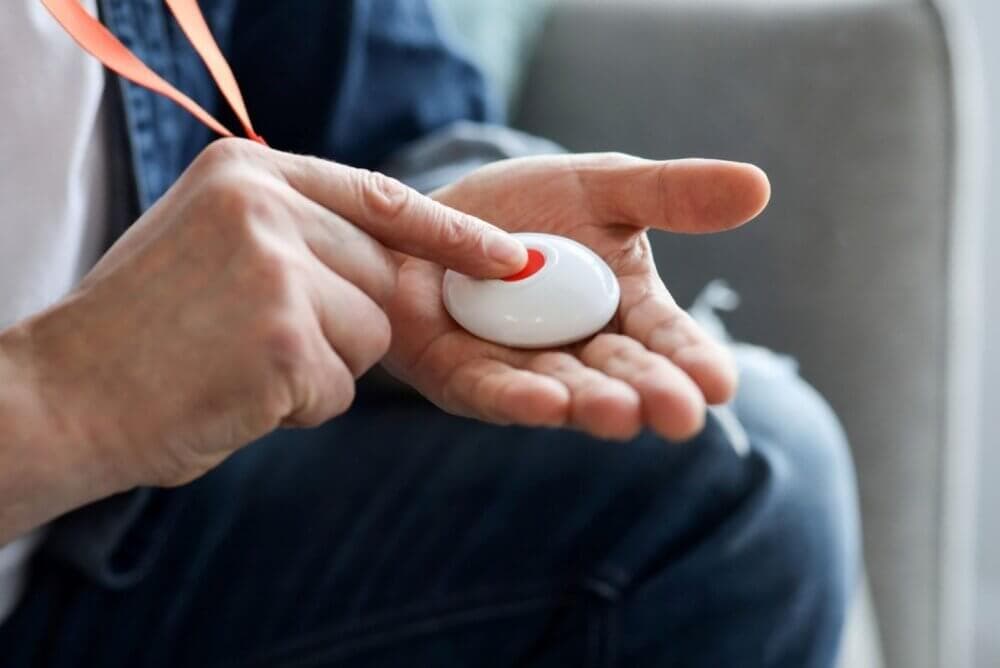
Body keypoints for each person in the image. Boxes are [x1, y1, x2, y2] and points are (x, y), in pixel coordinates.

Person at [0, 1, 859, 666]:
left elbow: (379, 113)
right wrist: (60, 405)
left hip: (92, 542)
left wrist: (430, 226)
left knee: (745, 480)